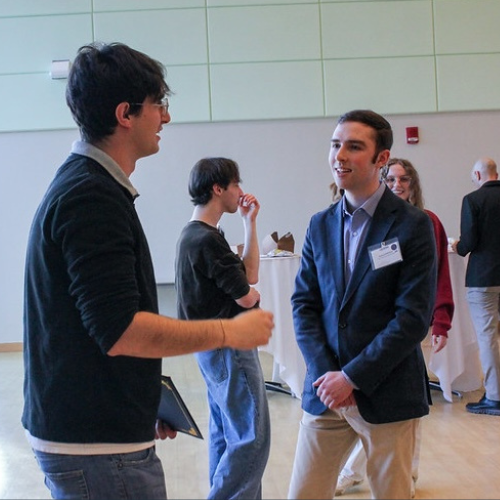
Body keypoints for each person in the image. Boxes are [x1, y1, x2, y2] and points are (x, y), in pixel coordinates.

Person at [22, 42, 274, 500]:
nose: (166, 118)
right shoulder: (90, 196)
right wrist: (229, 333)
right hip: (94, 446)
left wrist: (141, 400)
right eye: (159, 105)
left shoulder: (92, 187)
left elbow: (95, 324)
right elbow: (122, 331)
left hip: (100, 434)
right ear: (125, 114)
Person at [287, 109, 437, 500]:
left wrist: (352, 377)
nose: (340, 155)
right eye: (336, 145)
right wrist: (328, 376)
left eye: (354, 147)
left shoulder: (412, 225)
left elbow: (413, 317)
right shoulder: (320, 224)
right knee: (302, 493)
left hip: (386, 390)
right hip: (326, 393)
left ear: (381, 158)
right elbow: (304, 304)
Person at [335, 158, 454, 497]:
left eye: (404, 179)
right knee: (377, 406)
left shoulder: (427, 222)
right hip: (377, 332)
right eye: (392, 177)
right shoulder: (374, 223)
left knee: (412, 405)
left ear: (414, 184)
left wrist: (441, 320)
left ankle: (403, 470)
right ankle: (368, 469)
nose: (398, 184)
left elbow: (440, 276)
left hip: (414, 325)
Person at [175, 157, 270, 499]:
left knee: (226, 431)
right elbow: (248, 295)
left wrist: (250, 223)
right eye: (235, 185)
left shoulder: (196, 234)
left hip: (210, 348)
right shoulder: (206, 241)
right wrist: (253, 296)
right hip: (229, 346)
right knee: (251, 437)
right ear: (218, 189)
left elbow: (250, 275)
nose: (240, 192)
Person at [451, 157, 500, 416]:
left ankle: (494, 396)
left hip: (484, 279)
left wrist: (457, 246)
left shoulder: (473, 200)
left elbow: (468, 243)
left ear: (479, 176)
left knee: (488, 337)